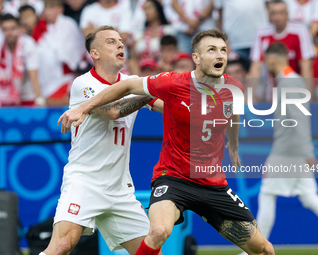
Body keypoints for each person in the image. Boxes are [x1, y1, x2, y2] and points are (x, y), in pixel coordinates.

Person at [58, 28, 275, 255]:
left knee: (264, 250)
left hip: (203, 184)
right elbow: (117, 104)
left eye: (223, 50)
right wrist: (83, 107)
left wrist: (234, 144)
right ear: (196, 58)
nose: (220, 55)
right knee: (156, 232)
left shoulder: (233, 87)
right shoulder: (168, 83)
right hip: (166, 179)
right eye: (212, 50)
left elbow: (232, 113)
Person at [39, 26, 163, 255]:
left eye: (120, 41)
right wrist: (152, 89)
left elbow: (166, 106)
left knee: (151, 252)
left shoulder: (133, 82)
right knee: (62, 246)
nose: (120, 45)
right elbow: (114, 110)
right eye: (110, 42)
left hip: (120, 189)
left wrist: (195, 106)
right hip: (84, 182)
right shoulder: (83, 84)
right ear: (94, 53)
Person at [242, 42, 318, 255]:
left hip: (287, 153)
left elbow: (298, 119)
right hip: (292, 150)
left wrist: (307, 152)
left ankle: (257, 249)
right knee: (310, 198)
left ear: (271, 60)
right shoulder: (289, 81)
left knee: (267, 194)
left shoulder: (289, 83)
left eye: (266, 62)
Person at [249, 0, 315, 102]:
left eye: (281, 13)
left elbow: (306, 66)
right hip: (270, 90)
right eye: (274, 13)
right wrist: (251, 95)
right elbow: (255, 67)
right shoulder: (261, 32)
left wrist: (308, 96)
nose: (277, 17)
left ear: (287, 14)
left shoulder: (300, 31)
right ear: (268, 14)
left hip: (294, 88)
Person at [36, 0, 84, 106]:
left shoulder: (69, 24)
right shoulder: (41, 27)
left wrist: (52, 50)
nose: (48, 12)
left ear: (60, 9)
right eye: (46, 8)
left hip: (65, 76)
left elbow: (73, 50)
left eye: (51, 8)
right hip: (46, 77)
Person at [0, 14, 44, 106]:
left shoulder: (28, 43)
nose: (9, 32)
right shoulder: (1, 44)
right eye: (5, 29)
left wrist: (39, 99)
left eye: (12, 28)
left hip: (27, 96)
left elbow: (34, 75)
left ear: (19, 28)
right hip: (5, 98)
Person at [129, 0, 175, 75]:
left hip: (161, 71)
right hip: (142, 73)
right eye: (144, 9)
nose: (146, 12)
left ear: (157, 9)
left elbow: (172, 55)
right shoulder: (139, 34)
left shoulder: (167, 31)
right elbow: (133, 59)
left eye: (149, 8)